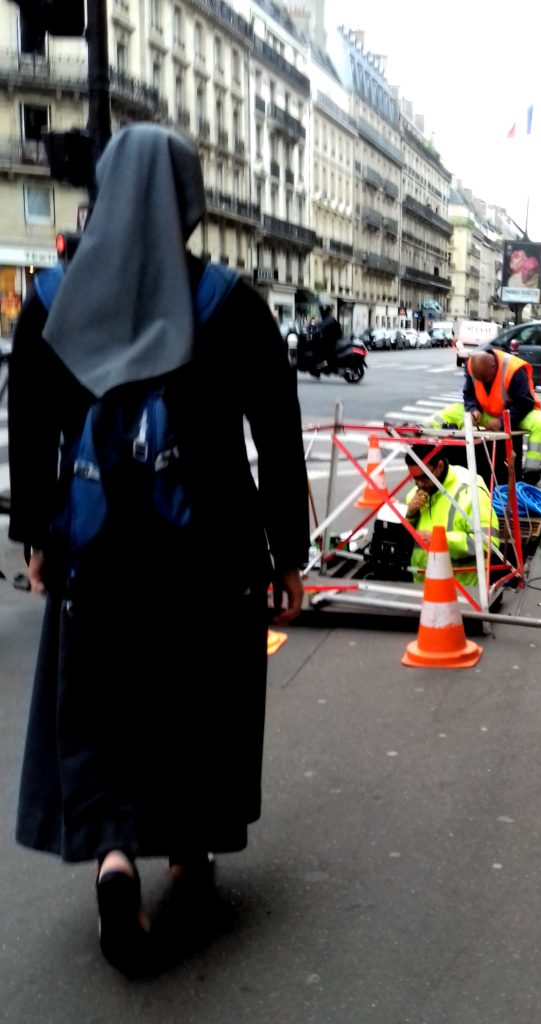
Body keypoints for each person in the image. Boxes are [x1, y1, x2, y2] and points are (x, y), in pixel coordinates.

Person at [7, 124, 309, 973]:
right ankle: (188, 846)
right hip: (207, 555)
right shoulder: (230, 302)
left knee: (98, 702)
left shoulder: (51, 299)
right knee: (201, 699)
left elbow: (30, 428)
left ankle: (112, 858)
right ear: (190, 200)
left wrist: (37, 536)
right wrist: (287, 553)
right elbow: (276, 433)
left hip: (96, 551)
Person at [404, 442, 498, 585]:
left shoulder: (470, 490)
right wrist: (411, 515)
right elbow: (409, 539)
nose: (420, 484)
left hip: (461, 589)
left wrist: (441, 540)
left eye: (424, 477)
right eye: (414, 479)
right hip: (423, 585)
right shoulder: (415, 496)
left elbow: (488, 544)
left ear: (440, 466)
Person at [463, 348, 541, 485]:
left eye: (485, 379)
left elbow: (525, 403)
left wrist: (501, 421)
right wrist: (473, 409)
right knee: (451, 412)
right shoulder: (472, 366)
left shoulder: (513, 369)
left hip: (515, 414)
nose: (483, 383)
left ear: (493, 366)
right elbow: (468, 395)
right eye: (480, 380)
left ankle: (531, 475)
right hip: (487, 412)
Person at [309, 303, 342, 377]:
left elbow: (322, 329)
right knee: (320, 351)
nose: (321, 315)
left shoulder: (329, 321)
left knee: (320, 353)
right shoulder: (329, 320)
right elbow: (319, 328)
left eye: (322, 313)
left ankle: (321, 368)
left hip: (330, 343)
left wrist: (315, 333)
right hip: (330, 341)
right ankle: (320, 368)